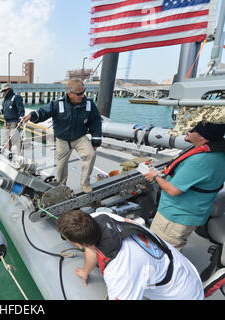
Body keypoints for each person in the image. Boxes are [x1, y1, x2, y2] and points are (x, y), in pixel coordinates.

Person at [56, 209, 204, 300]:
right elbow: (92, 248)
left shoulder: (119, 271)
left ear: (79, 245)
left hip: (181, 294)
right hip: (176, 268)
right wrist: (85, 271)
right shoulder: (99, 217)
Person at [143, 122, 225, 251]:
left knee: (161, 252)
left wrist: (155, 177)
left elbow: (173, 190)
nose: (188, 130)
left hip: (175, 217)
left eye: (193, 130)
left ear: (203, 137)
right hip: (195, 212)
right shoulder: (219, 153)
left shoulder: (200, 160)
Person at [21, 79, 102, 193]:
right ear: (69, 94)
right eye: (79, 94)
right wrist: (32, 115)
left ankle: (85, 183)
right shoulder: (57, 104)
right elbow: (43, 112)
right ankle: (61, 186)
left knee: (90, 155)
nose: (83, 95)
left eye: (84, 92)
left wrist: (96, 141)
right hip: (62, 140)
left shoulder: (89, 104)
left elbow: (96, 121)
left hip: (79, 138)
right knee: (61, 166)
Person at [0, 83, 25, 156]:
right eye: (2, 91)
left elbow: (21, 110)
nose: (4, 92)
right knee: (6, 139)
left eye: (5, 90)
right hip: (6, 122)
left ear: (9, 89)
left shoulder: (16, 97)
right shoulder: (5, 100)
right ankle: (9, 152)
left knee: (16, 138)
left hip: (14, 122)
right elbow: (3, 111)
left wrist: (20, 120)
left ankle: (19, 154)